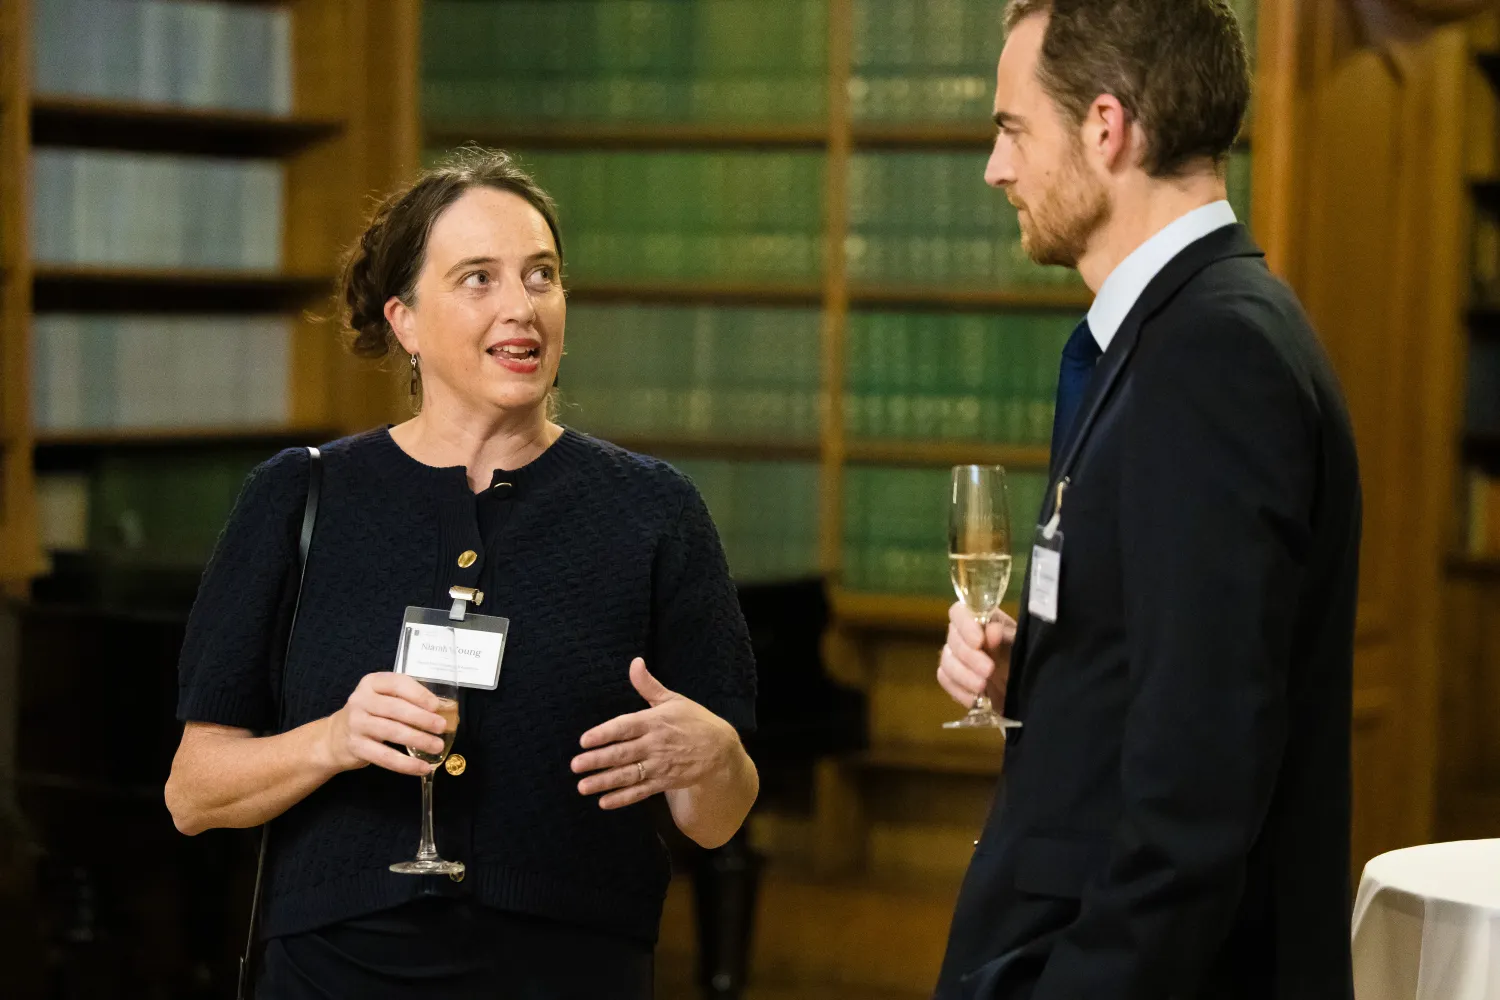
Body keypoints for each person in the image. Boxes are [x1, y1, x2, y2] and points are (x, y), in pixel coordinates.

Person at [163, 148, 759, 999]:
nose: (522, 306)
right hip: (339, 973)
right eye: (479, 278)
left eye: (541, 276)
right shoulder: (300, 497)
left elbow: (718, 819)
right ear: (404, 320)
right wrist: (332, 740)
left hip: (571, 975)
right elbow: (193, 794)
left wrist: (714, 756)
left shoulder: (655, 510)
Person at [933, 2, 1361, 998]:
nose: (996, 169)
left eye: (1012, 130)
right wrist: (1044, 673)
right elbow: (1177, 671)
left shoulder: (1214, 354)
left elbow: (1197, 793)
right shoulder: (1176, 333)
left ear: (1106, 126)